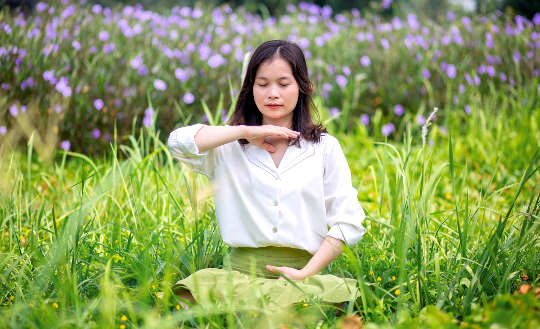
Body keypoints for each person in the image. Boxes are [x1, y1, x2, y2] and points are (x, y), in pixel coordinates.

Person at [167, 40, 366, 317]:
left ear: (302, 87)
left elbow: (347, 222)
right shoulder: (229, 147)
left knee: (348, 304)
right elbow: (178, 143)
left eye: (283, 84)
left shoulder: (324, 148)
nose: (273, 93)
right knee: (187, 296)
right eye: (263, 84)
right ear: (250, 89)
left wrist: (305, 273)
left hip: (303, 279)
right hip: (237, 278)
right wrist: (243, 132)